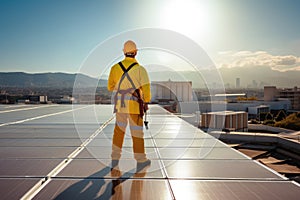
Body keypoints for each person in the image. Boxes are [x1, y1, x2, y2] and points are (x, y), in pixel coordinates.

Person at [107, 40, 151, 172]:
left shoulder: (115, 68)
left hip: (120, 106)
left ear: (124, 52)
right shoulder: (141, 70)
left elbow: (110, 87)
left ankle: (115, 159)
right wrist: (146, 101)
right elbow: (147, 90)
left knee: (118, 132)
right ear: (136, 52)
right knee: (137, 133)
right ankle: (141, 160)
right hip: (134, 107)